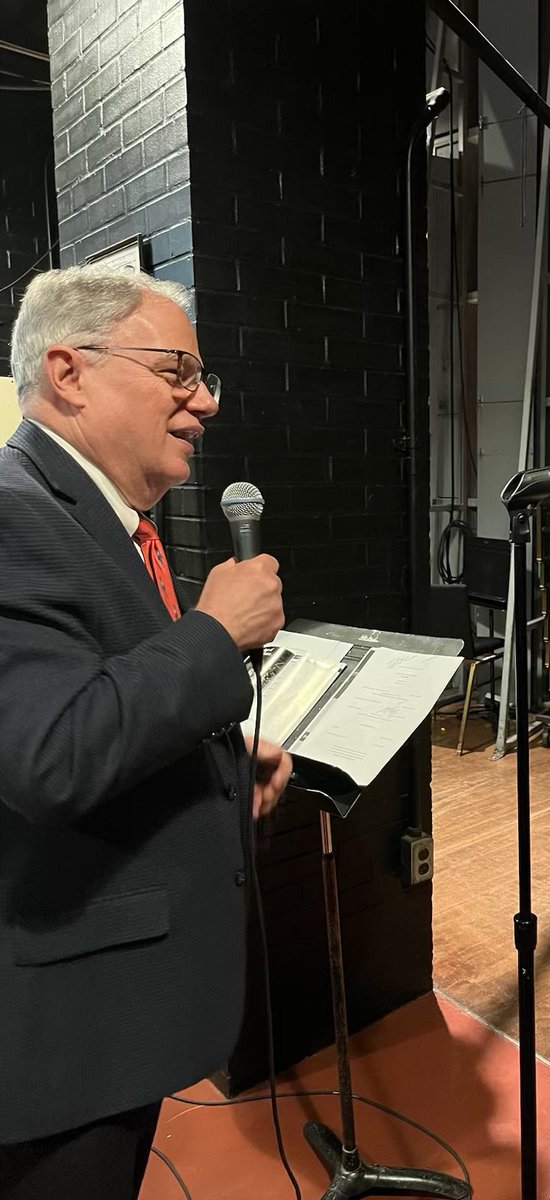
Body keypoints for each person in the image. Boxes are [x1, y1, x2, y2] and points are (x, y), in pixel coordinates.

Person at [0, 265, 292, 1199]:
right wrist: (215, 636)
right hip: (61, 1039)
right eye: (176, 371)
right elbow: (50, 755)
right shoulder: (12, 517)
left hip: (112, 1014)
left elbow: (96, 697)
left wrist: (216, 757)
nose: (202, 400)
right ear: (68, 370)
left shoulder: (97, 519)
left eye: (204, 378)